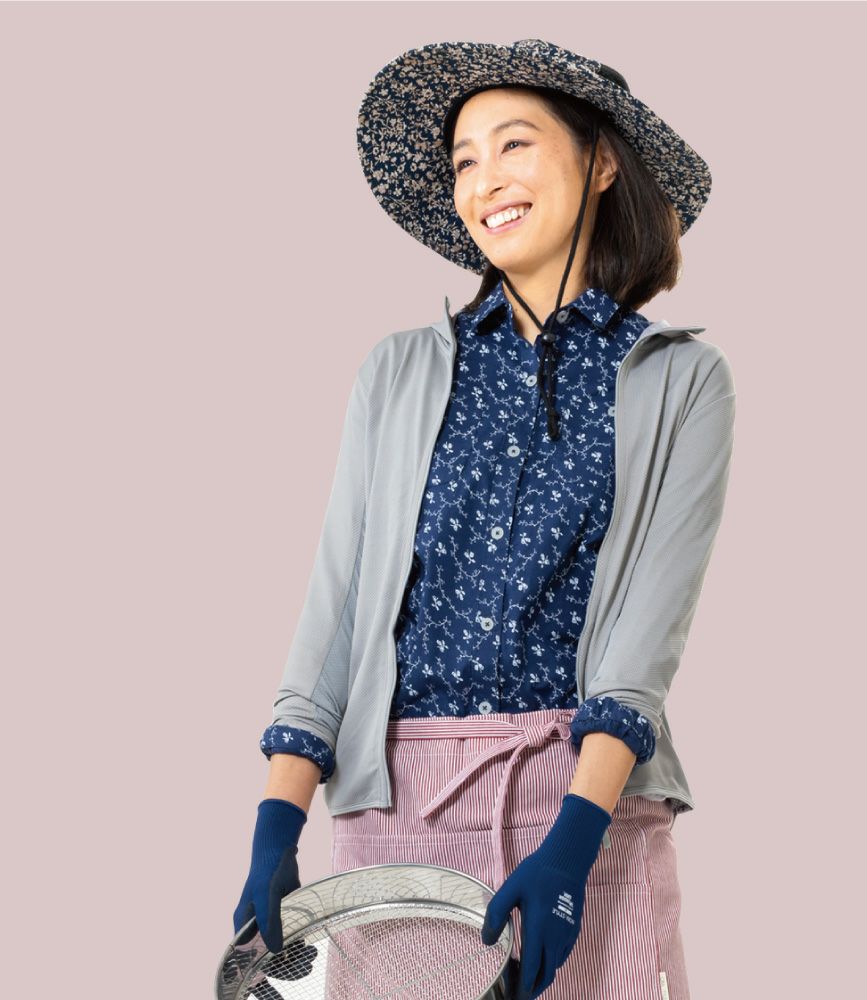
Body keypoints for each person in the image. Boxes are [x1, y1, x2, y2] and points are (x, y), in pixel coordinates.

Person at [233, 38, 735, 1000]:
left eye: (513, 145)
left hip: (589, 809)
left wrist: (572, 847)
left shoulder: (683, 381)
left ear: (600, 163)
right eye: (464, 160)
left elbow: (645, 638)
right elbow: (337, 611)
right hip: (400, 811)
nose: (483, 181)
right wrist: (275, 826)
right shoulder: (396, 373)